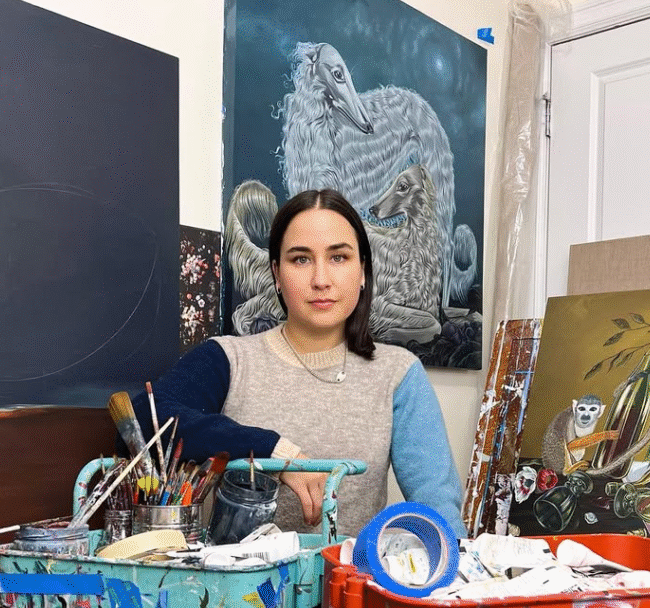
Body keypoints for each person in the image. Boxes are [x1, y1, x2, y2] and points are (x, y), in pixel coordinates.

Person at [130, 186, 464, 540]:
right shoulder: (229, 359)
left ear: (363, 271)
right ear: (277, 274)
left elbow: (439, 515)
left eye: (339, 258)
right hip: (238, 576)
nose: (321, 280)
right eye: (301, 259)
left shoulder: (398, 373)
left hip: (351, 573)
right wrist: (274, 452)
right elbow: (139, 421)